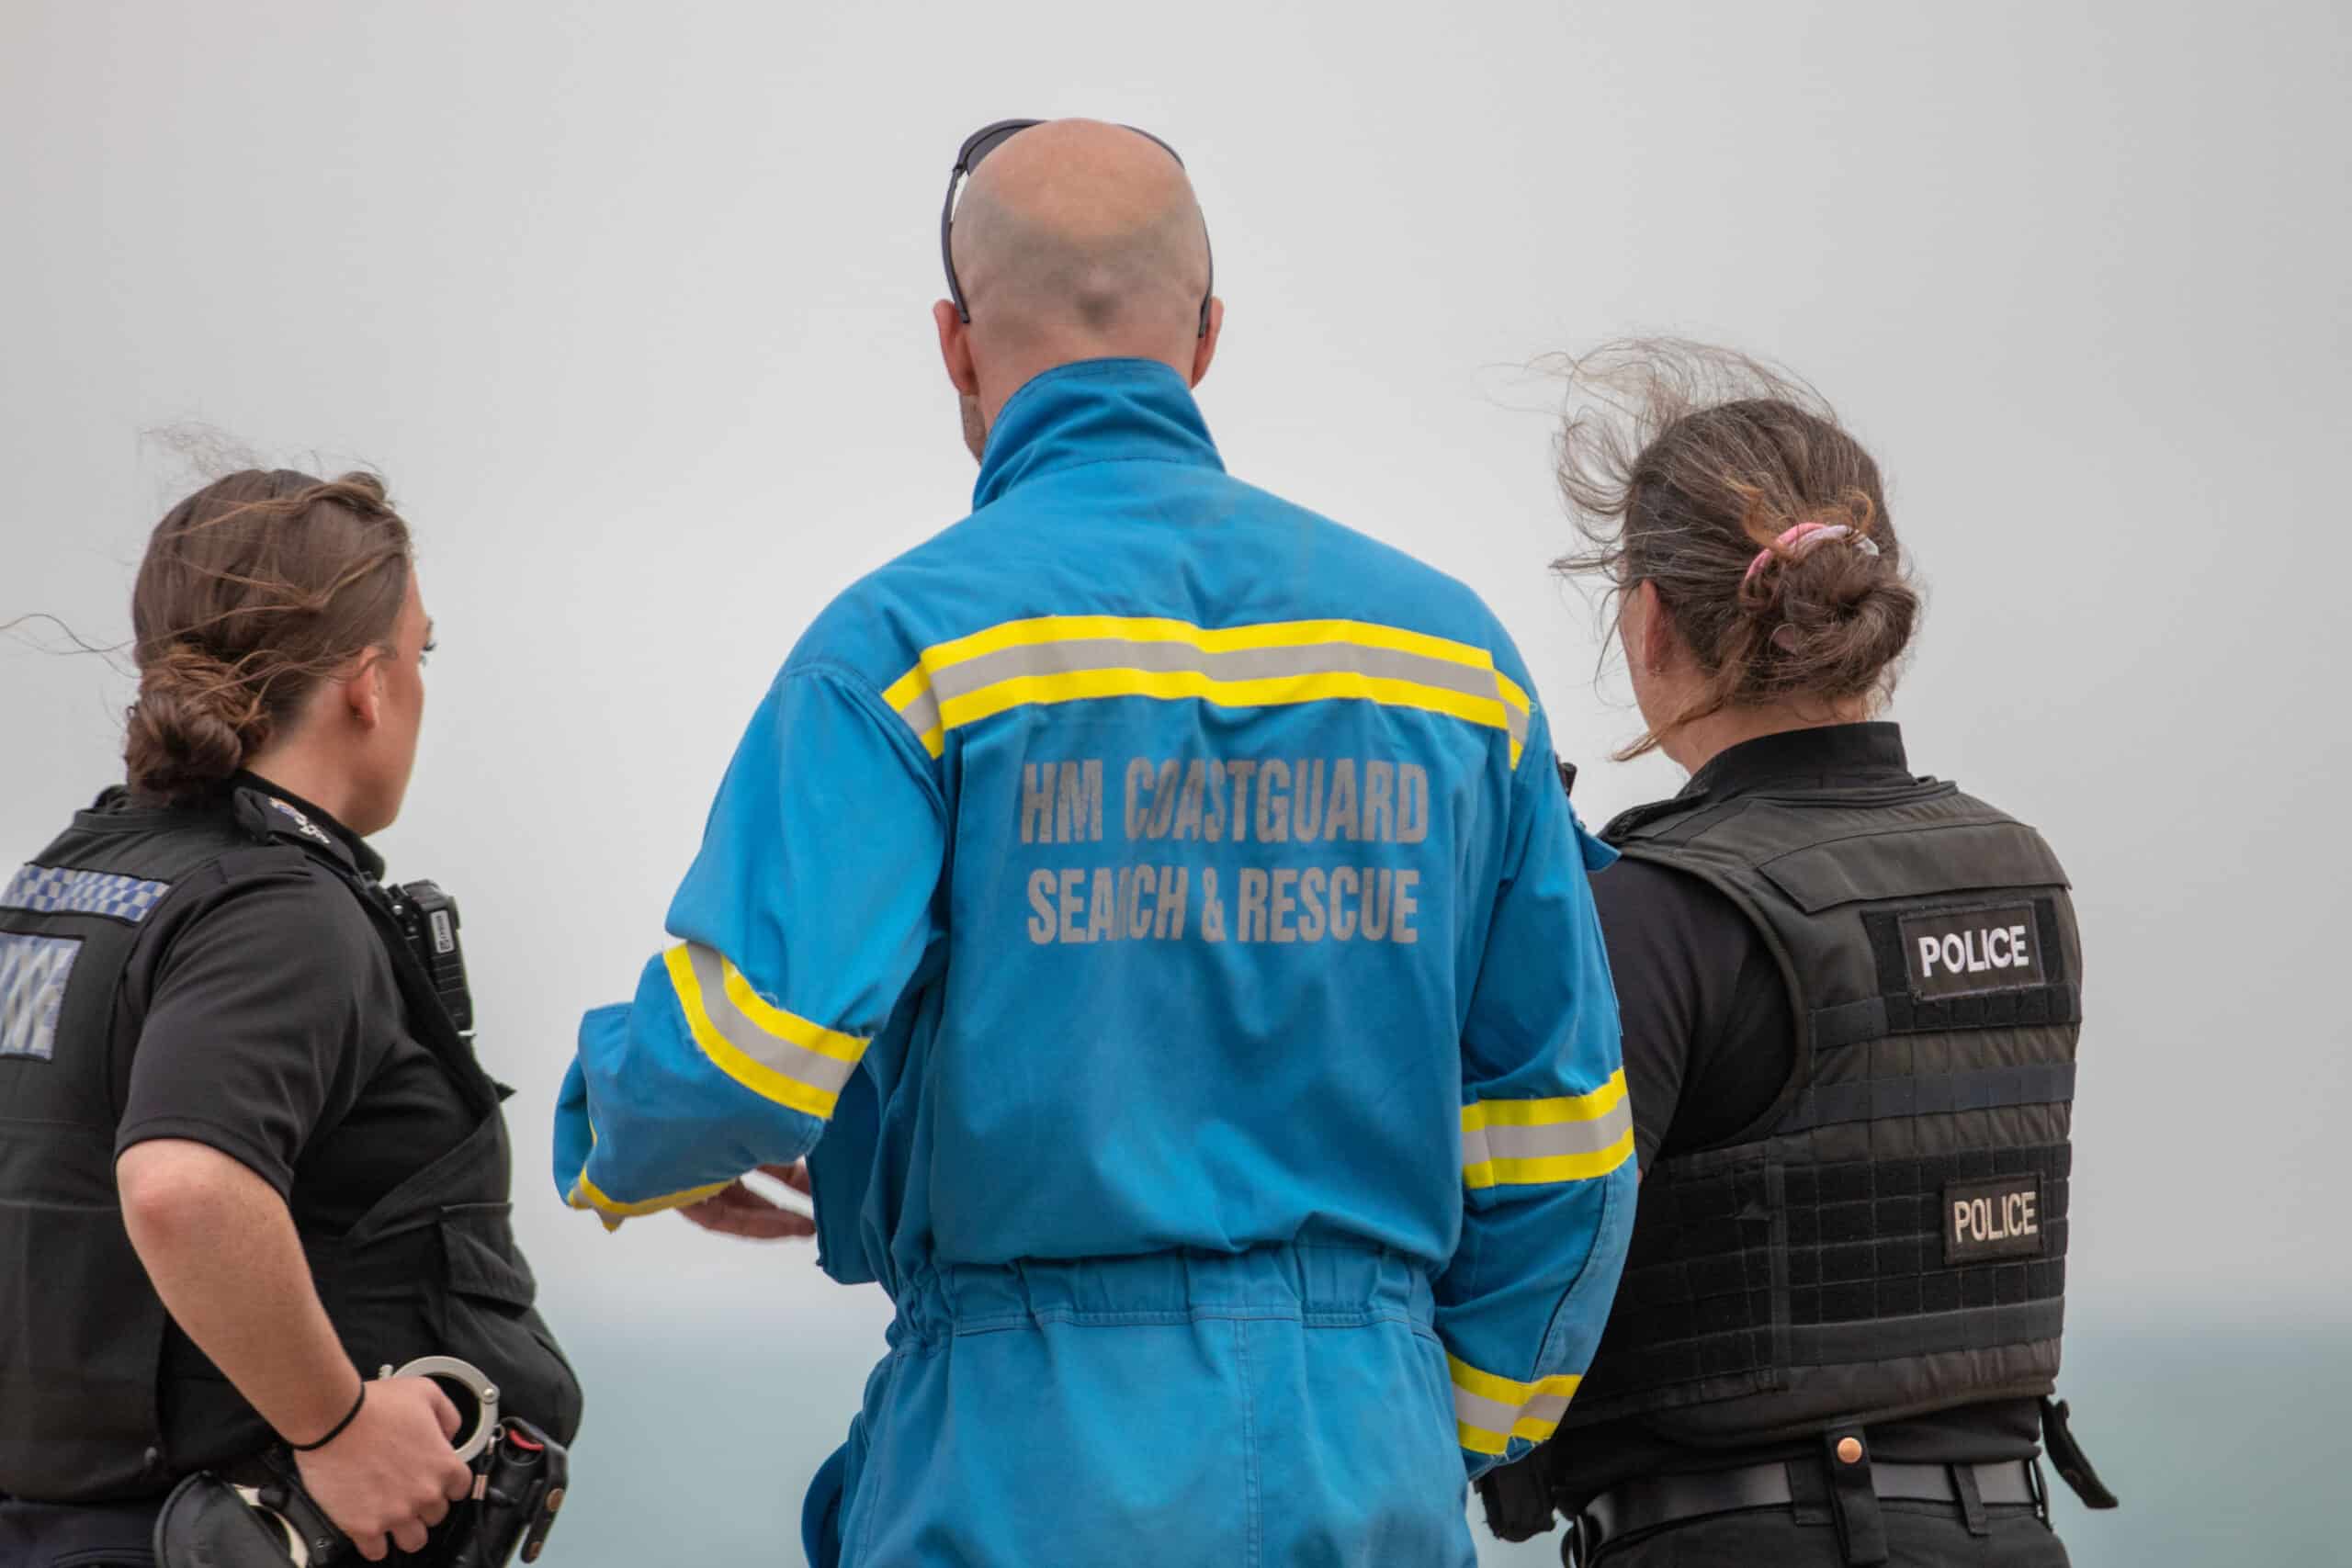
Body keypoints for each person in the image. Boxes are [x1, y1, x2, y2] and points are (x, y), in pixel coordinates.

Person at [553, 118, 1634, 1568]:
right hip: (1364, 1449)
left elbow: (739, 1050)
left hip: (1022, 1452)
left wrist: (620, 1128)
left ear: (954, 347)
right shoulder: (1451, 666)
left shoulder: (906, 651)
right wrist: (1438, 1417)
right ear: (1206, 337)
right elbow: (1563, 1132)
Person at [1476, 343, 2113, 1566]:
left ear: (1651, 617)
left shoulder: (1654, 912)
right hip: (2011, 1528)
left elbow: (1520, 1257)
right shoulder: (2023, 874)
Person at [0, 471, 582, 1568]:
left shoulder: (65, 881)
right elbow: (183, 1185)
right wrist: (340, 1426)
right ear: (368, 684)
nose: (417, 683)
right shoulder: (279, 911)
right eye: (422, 652)